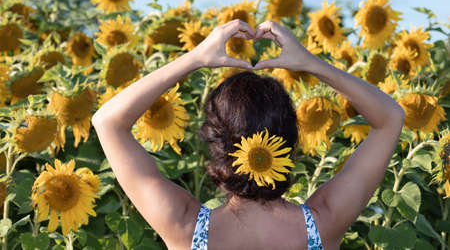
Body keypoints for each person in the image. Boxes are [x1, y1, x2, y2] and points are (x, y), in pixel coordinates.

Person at [92, 19, 405, 250]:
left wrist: (195, 58)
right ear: (291, 143)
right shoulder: (323, 224)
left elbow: (108, 121)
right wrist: (310, 63)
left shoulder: (186, 228)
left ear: (216, 146)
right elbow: (390, 117)